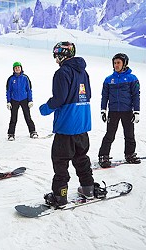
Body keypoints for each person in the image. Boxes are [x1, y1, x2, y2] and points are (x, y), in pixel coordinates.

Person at [39, 42, 94, 207]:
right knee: (81, 158)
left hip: (67, 126)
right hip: (82, 124)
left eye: (57, 55)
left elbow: (59, 99)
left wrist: (45, 108)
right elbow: (88, 94)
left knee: (60, 161)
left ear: (62, 55)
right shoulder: (83, 72)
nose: (56, 59)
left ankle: (60, 195)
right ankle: (88, 188)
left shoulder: (62, 72)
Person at [98, 53, 141, 168]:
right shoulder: (108, 79)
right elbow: (104, 96)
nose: (116, 65)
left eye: (118, 63)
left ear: (124, 64)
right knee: (109, 135)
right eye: (115, 63)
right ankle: (103, 156)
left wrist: (136, 111)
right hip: (113, 111)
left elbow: (136, 95)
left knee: (129, 135)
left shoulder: (132, 78)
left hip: (127, 111)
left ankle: (130, 154)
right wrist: (103, 110)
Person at [6, 62, 37, 140]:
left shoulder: (25, 78)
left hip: (24, 99)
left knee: (27, 116)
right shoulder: (11, 79)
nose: (17, 69)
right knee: (13, 118)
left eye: (19, 67)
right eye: (16, 68)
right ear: (13, 69)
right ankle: (11, 134)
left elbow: (29, 89)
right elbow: (8, 91)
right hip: (14, 100)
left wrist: (30, 100)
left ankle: (33, 131)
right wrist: (8, 101)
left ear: (21, 68)